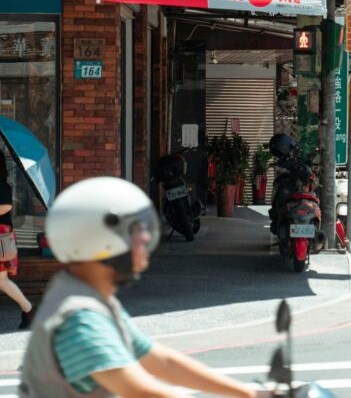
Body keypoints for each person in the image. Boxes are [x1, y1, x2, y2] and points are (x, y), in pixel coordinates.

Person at [19, 177, 268, 398]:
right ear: (102, 243)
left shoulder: (88, 297)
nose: (146, 239)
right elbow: (142, 391)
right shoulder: (79, 318)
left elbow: (160, 361)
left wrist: (249, 393)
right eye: (137, 232)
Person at [1, 160, 33, 330]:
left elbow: (6, 206)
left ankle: (28, 308)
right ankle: (28, 309)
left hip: (0, 235)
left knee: (2, 281)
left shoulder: (2, 184)